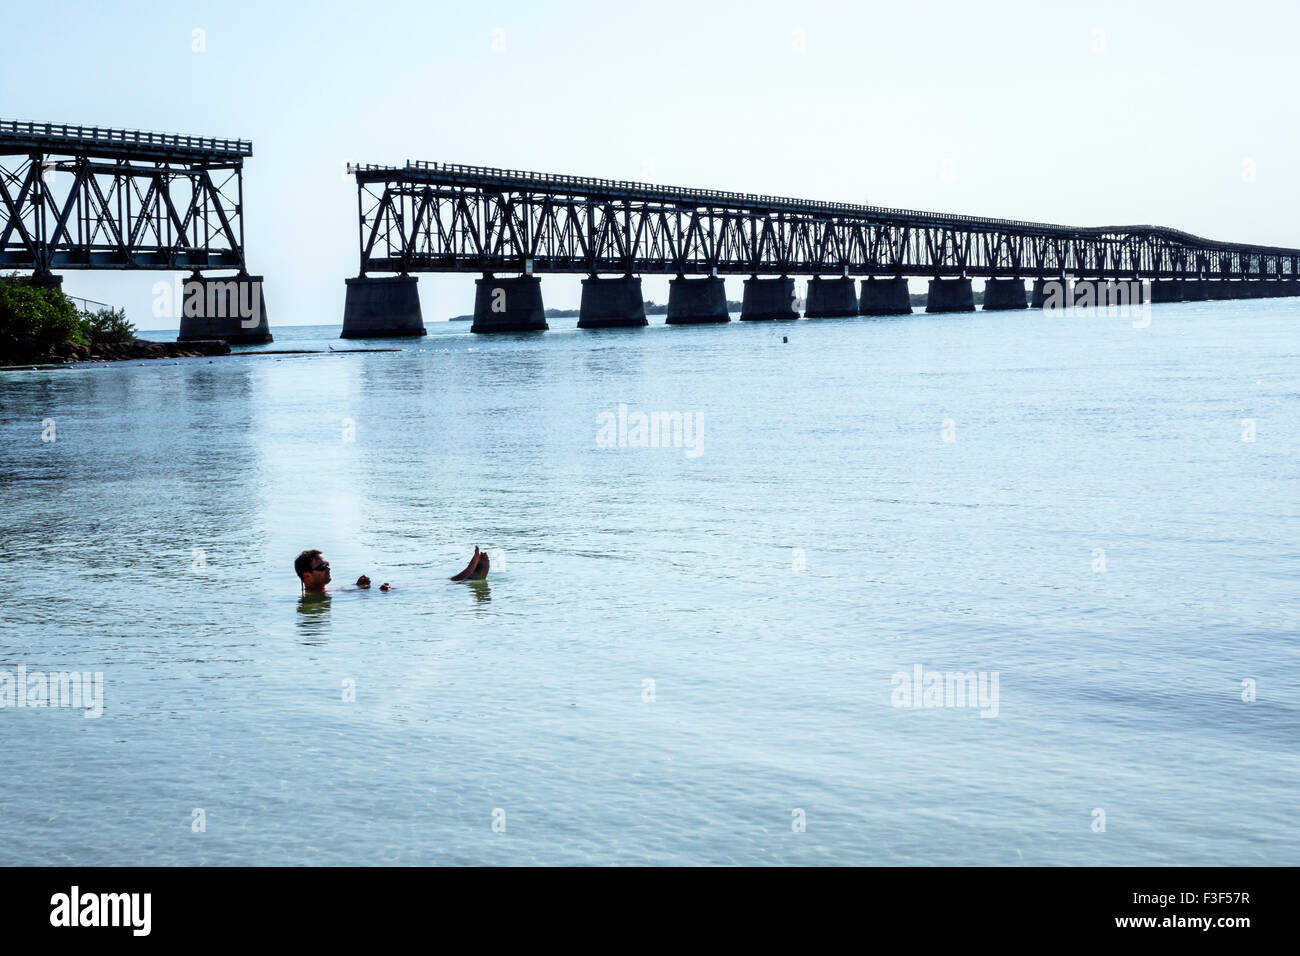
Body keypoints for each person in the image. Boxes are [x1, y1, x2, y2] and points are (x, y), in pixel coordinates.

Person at [294, 547, 488, 593]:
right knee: (431, 586)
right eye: (322, 567)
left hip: (383, 593)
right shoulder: (314, 602)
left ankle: (468, 577)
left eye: (327, 564)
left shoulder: (333, 592)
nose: (328, 569)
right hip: (387, 596)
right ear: (307, 576)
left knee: (427, 584)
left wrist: (359, 586)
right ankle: (468, 577)